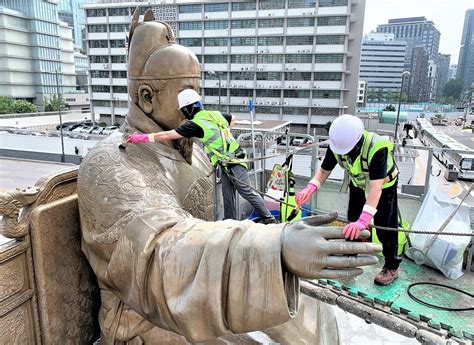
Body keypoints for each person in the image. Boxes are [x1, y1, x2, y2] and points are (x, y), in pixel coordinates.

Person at [77, 9, 382, 344]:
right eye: (185, 93)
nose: (195, 105)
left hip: (200, 290)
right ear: (148, 97)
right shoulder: (112, 163)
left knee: (304, 302)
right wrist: (272, 249)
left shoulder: (195, 142)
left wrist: (275, 246)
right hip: (147, 320)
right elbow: (159, 256)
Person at [127, 89, 277, 224]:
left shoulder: (195, 124)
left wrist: (141, 138)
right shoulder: (213, 114)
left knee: (246, 191)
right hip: (227, 162)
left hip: (234, 162)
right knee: (227, 195)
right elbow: (233, 118)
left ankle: (269, 218)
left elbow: (167, 135)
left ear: (187, 109)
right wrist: (225, 134)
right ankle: (230, 224)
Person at [296, 114, 401, 286]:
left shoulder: (377, 148)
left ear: (357, 141)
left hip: (384, 186)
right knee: (352, 220)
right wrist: (310, 187)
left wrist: (365, 219)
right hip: (358, 183)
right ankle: (349, 256)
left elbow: (375, 189)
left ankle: (392, 266)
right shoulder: (337, 145)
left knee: (386, 226)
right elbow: (323, 171)